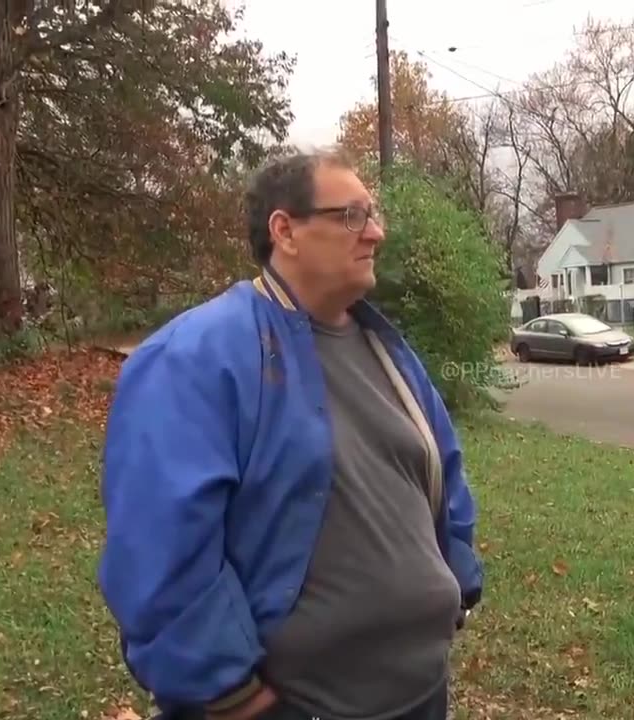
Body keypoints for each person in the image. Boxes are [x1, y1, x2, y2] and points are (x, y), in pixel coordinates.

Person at [97, 146, 483, 720]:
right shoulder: (197, 357)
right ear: (286, 230)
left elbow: (440, 475)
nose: (375, 232)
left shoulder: (389, 351)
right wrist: (236, 700)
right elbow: (161, 549)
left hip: (420, 692)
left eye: (374, 214)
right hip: (301, 705)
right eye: (352, 215)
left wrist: (456, 585)